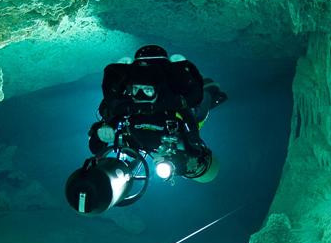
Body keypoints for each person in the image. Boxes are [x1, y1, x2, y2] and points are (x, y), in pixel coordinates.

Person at [88, 44, 227, 172]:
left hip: (163, 143)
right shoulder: (124, 108)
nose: (141, 96)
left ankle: (209, 91)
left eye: (147, 91)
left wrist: (189, 147)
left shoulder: (173, 106)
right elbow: (95, 147)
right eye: (136, 90)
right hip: (138, 145)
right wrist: (100, 135)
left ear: (158, 90)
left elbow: (194, 144)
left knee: (199, 115)